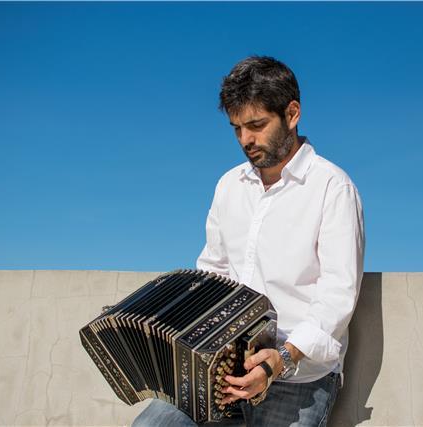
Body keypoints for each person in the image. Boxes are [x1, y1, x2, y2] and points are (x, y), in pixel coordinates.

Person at [133, 56, 364, 427]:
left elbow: (337, 295)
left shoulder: (333, 188)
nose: (245, 140)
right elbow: (211, 274)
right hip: (221, 368)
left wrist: (281, 359)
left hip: (298, 377)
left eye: (257, 125)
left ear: (292, 114)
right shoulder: (228, 186)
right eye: (237, 128)